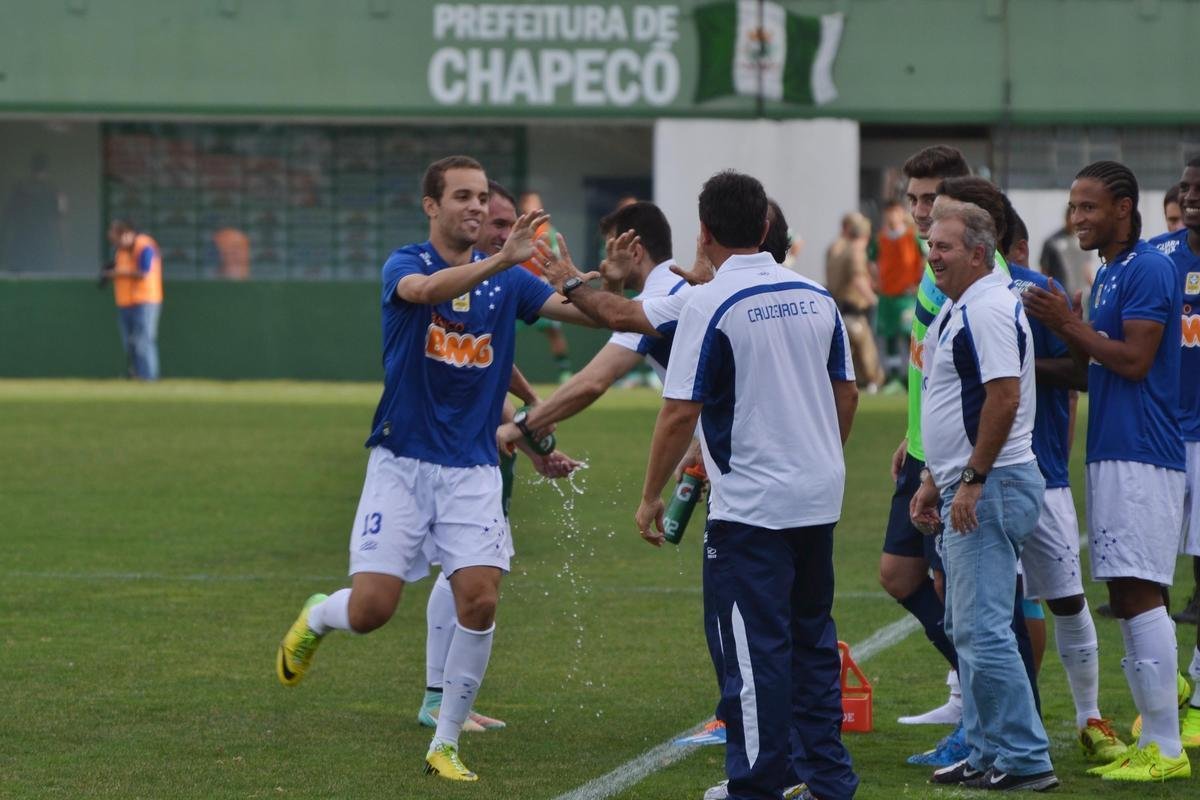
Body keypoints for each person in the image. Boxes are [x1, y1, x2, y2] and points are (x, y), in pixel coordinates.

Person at [274, 155, 592, 783]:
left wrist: (591, 280)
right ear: (432, 206)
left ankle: (445, 740)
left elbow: (587, 314)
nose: (476, 207)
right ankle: (318, 615)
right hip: (400, 464)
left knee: (479, 597)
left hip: (471, 469)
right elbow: (423, 295)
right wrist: (505, 259)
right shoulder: (407, 265)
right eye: (463, 197)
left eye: (482, 198)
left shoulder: (511, 282)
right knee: (371, 611)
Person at [635, 169, 859, 800]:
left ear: (703, 232)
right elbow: (848, 392)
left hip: (752, 509)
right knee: (811, 641)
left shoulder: (709, 302)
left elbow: (679, 411)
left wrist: (651, 494)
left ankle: (758, 785)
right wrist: (814, 458)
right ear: (766, 227)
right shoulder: (817, 296)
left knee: (751, 652)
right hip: (818, 499)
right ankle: (828, 780)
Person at [1024, 160, 1192, 782]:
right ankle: (1155, 743)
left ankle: (1167, 750)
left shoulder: (1148, 266)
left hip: (1144, 453)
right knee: (1124, 594)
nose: (1077, 220)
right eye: (1073, 209)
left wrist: (1068, 323)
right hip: (1113, 451)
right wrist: (1034, 354)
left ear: (1124, 208)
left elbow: (1134, 361)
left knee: (1141, 593)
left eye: (1089, 208)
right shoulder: (1110, 274)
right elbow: (1087, 370)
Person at [416, 181, 582, 735]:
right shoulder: (451, 276)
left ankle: (444, 700)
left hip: (482, 449)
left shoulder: (503, 280)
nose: (506, 230)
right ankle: (438, 700)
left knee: (468, 574)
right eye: (496, 220)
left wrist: (531, 422)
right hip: (442, 450)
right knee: (457, 574)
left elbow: (491, 357)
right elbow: (464, 367)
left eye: (513, 222)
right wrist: (528, 418)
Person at [911, 199, 1057, 792]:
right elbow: (953, 401)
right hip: (969, 482)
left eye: (943, 246)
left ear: (979, 253)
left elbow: (1002, 398)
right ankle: (984, 750)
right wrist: (933, 478)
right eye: (931, 244)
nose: (931, 254)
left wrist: (970, 480)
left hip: (990, 486)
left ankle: (1024, 757)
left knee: (983, 629)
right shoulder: (963, 304)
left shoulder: (989, 307)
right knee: (967, 624)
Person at [1003, 203, 1127, 765]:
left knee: (1067, 600)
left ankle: (1088, 716)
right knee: (973, 605)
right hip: (964, 475)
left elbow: (1080, 374)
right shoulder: (941, 297)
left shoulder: (1037, 292)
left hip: (1041, 471)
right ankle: (987, 720)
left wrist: (1011, 369)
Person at [882, 146, 971, 746]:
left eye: (929, 197)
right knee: (901, 574)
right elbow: (927, 366)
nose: (917, 209)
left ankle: (987, 701)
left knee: (961, 589)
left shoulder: (962, 269)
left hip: (948, 460)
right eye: (911, 197)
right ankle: (970, 688)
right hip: (920, 449)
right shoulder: (927, 260)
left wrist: (941, 460)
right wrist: (909, 433)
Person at [1148, 155, 1200, 748]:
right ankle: (1168, 692)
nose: (1189, 197)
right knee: (1151, 564)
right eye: (1185, 188)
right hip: (1161, 435)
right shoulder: (1159, 258)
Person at [518, 189, 574, 382]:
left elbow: (556, 259)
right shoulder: (516, 229)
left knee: (553, 331)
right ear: (523, 206)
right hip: (518, 287)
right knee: (502, 331)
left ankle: (564, 372)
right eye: (530, 203)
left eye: (537, 203)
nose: (534, 207)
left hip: (542, 286)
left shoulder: (549, 230)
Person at [826, 212, 884, 392]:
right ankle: (874, 382)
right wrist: (874, 300)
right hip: (854, 311)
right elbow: (858, 280)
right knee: (867, 352)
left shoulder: (836, 249)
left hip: (839, 309)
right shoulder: (855, 252)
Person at [873, 200, 924, 391]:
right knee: (889, 337)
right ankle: (893, 377)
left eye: (894, 212)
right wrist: (875, 282)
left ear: (902, 213)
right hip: (887, 297)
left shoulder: (913, 238)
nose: (891, 216)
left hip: (906, 297)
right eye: (888, 213)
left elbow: (926, 259)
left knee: (908, 335)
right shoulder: (879, 239)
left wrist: (918, 284)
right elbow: (871, 261)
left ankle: (911, 376)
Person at [103, 220, 163, 381]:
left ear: (128, 233)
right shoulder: (120, 252)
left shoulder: (145, 246)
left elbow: (144, 271)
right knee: (129, 343)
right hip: (125, 302)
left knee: (143, 340)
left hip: (145, 301)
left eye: (118, 237)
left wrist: (118, 273)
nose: (117, 242)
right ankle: (136, 374)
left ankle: (148, 377)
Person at [1039, 204, 1096, 301]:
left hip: (1081, 295)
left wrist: (1094, 288)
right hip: (1060, 294)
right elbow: (1044, 269)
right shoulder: (1052, 242)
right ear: (1067, 218)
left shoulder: (1083, 240)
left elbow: (1086, 268)